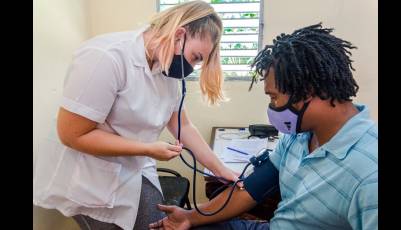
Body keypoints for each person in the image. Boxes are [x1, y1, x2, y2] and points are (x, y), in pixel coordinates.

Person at [149, 23, 378, 230]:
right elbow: (252, 189)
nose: (272, 109)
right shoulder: (299, 135)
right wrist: (190, 217)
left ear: (307, 92)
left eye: (274, 98)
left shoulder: (370, 174)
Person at [33, 1, 239, 230]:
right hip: (87, 177)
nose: (191, 68)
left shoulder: (166, 67)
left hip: (133, 168)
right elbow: (72, 134)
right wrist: (148, 149)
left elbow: (184, 126)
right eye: (195, 57)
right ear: (179, 35)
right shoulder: (106, 57)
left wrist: (221, 170)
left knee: (154, 221)